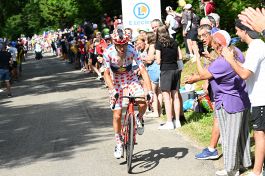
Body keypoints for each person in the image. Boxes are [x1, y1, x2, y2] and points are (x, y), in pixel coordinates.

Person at [187, 30, 252, 176]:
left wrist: (197, 57)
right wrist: (211, 58)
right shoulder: (236, 52)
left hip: (228, 103)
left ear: (219, 44)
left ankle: (231, 169)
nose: (212, 44)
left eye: (214, 42)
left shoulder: (223, 62)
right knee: (242, 135)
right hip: (242, 100)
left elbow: (203, 74)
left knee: (229, 137)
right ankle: (244, 163)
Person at [222, 19, 265, 176]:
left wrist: (230, 60)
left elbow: (244, 74)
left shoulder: (256, 47)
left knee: (259, 135)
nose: (237, 34)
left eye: (238, 31)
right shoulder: (257, 46)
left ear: (245, 31)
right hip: (259, 98)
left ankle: (256, 171)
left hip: (261, 99)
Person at [103, 27, 153, 159]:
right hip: (116, 82)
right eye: (119, 45)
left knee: (143, 102)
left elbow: (142, 70)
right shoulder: (108, 52)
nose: (122, 48)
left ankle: (139, 118)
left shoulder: (132, 50)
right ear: (114, 44)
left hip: (131, 79)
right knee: (117, 115)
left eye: (124, 44)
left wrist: (150, 91)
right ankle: (118, 142)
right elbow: (106, 73)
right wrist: (112, 89)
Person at [155, 25, 182, 129]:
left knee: (166, 97)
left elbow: (158, 61)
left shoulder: (159, 44)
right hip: (175, 69)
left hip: (165, 70)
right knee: (175, 96)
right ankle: (177, 121)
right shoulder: (174, 42)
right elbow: (179, 56)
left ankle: (169, 122)